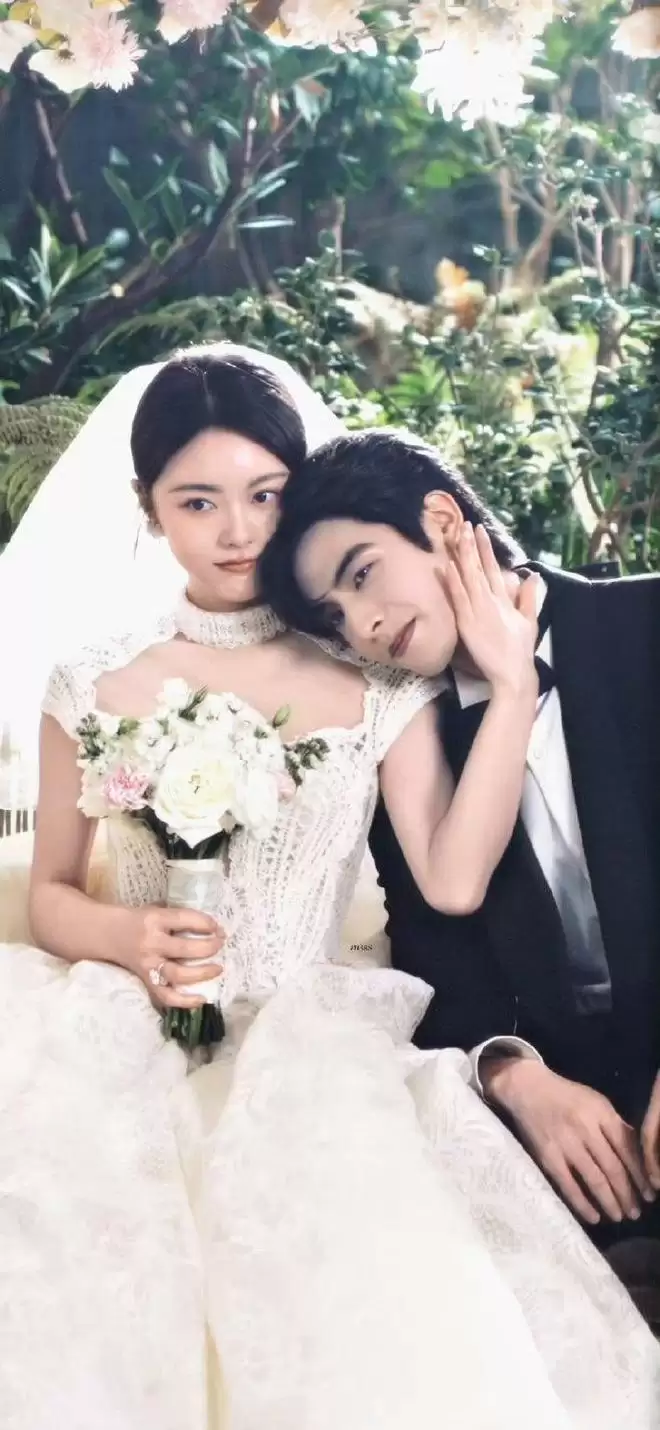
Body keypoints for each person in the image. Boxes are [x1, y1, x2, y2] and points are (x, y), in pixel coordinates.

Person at [0, 352, 657, 1430]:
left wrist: (507, 693)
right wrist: (128, 935)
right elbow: (52, 897)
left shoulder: (380, 681)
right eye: (196, 502)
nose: (236, 531)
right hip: (130, 1020)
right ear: (148, 509)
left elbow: (451, 880)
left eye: (264, 494)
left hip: (310, 1033)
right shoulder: (92, 678)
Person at [260, 425, 660, 1264]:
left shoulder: (643, 624)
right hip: (570, 1124)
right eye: (335, 618)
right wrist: (512, 1073)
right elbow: (432, 958)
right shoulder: (409, 742)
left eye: (362, 574)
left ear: (442, 520)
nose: (364, 625)